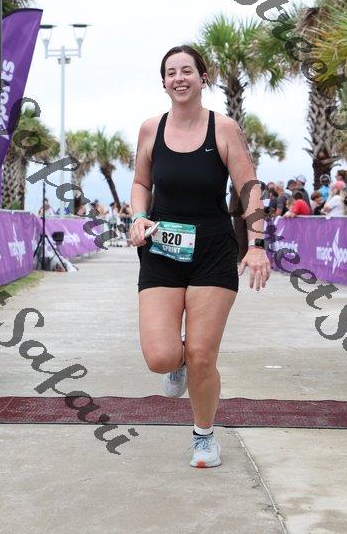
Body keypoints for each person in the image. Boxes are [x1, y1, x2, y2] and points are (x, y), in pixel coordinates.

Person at [129, 45, 270, 469]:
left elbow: (248, 188)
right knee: (160, 357)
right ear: (164, 82)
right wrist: (137, 217)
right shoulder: (151, 129)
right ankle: (179, 363)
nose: (179, 78)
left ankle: (204, 436)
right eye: (171, 72)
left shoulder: (223, 128)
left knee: (203, 355)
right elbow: (141, 183)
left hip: (212, 250)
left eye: (187, 70)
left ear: (202, 77)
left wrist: (257, 244)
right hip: (161, 249)